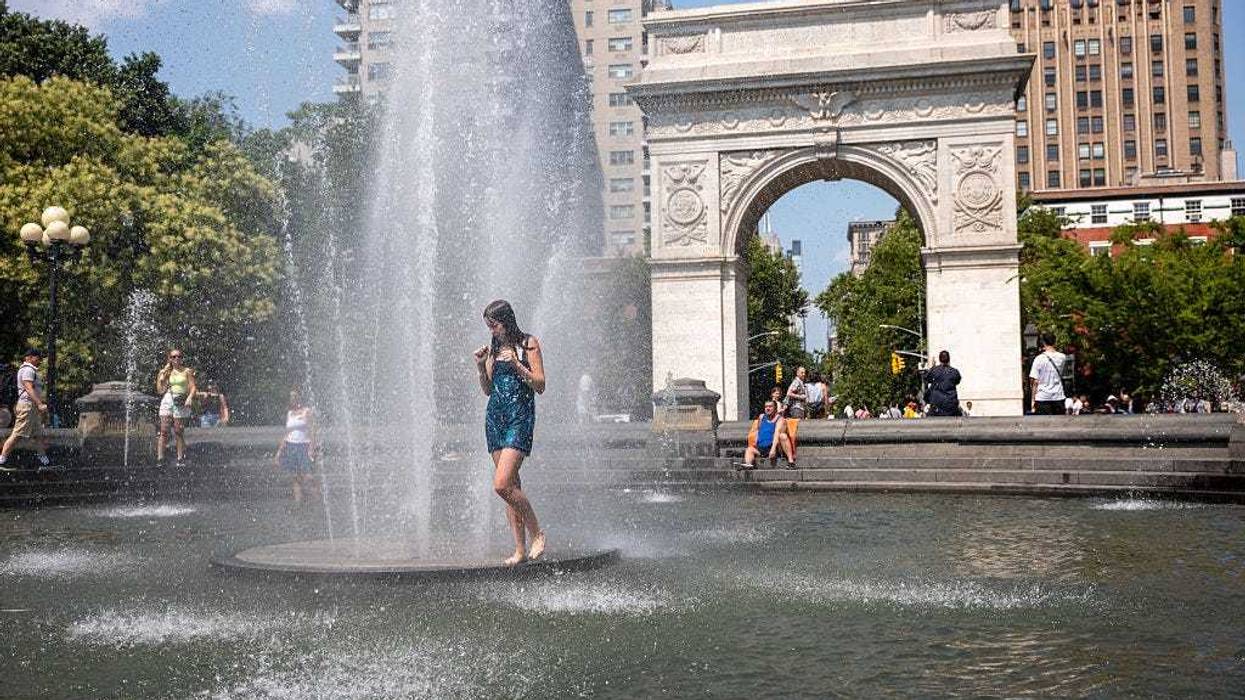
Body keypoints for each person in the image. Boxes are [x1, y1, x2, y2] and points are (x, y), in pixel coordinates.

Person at [474, 300, 546, 567]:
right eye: (489, 326)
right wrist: (481, 366)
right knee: (510, 488)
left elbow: (540, 384)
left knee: (501, 484)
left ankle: (537, 532)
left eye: (494, 325)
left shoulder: (529, 344)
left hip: (519, 418)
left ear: (507, 320)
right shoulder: (494, 348)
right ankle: (519, 550)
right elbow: (487, 390)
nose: (492, 331)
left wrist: (517, 365)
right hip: (496, 419)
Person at [0, 349, 52, 471]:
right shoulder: (28, 370)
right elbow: (28, 388)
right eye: (38, 357)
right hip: (27, 406)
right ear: (29, 357)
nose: (40, 360)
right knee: (17, 434)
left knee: (38, 434)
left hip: (31, 407)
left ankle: (44, 461)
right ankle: (2, 460)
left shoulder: (32, 370)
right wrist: (40, 404)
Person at [275, 387, 318, 503]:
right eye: (291, 397)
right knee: (295, 478)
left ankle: (316, 500)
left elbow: (313, 430)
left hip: (304, 446)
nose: (292, 399)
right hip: (291, 446)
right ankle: (298, 503)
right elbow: (287, 433)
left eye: (294, 396)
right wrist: (279, 451)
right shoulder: (289, 414)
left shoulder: (307, 411)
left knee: (308, 476)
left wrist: (312, 448)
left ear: (299, 398)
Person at [156, 349, 196, 466]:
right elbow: (160, 391)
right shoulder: (165, 372)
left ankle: (180, 458)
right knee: (164, 430)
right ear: (170, 359)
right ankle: (160, 459)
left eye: (179, 356)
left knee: (178, 431)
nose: (176, 359)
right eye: (173, 357)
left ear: (182, 358)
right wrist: (162, 380)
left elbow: (193, 387)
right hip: (168, 399)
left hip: (181, 400)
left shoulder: (187, 371)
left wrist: (189, 397)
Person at [739, 400, 795, 469]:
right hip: (761, 449)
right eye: (766, 407)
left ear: (775, 408)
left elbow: (777, 434)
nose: (767, 408)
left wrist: (773, 449)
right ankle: (748, 465)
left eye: (770, 406)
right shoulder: (761, 417)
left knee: (783, 436)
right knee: (749, 449)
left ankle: (791, 462)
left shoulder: (780, 419)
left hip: (775, 448)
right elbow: (759, 430)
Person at [1028, 333, 1066, 415]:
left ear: (1043, 343)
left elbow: (1034, 381)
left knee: (1043, 426)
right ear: (1055, 342)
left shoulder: (1038, 359)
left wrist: (1032, 400)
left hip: (1042, 397)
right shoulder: (1062, 357)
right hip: (1058, 396)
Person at [923, 350, 962, 417]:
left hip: (937, 404)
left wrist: (932, 367)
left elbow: (926, 378)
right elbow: (957, 381)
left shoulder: (935, 370)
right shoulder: (954, 372)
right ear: (949, 359)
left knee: (929, 418)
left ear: (939, 359)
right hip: (951, 404)